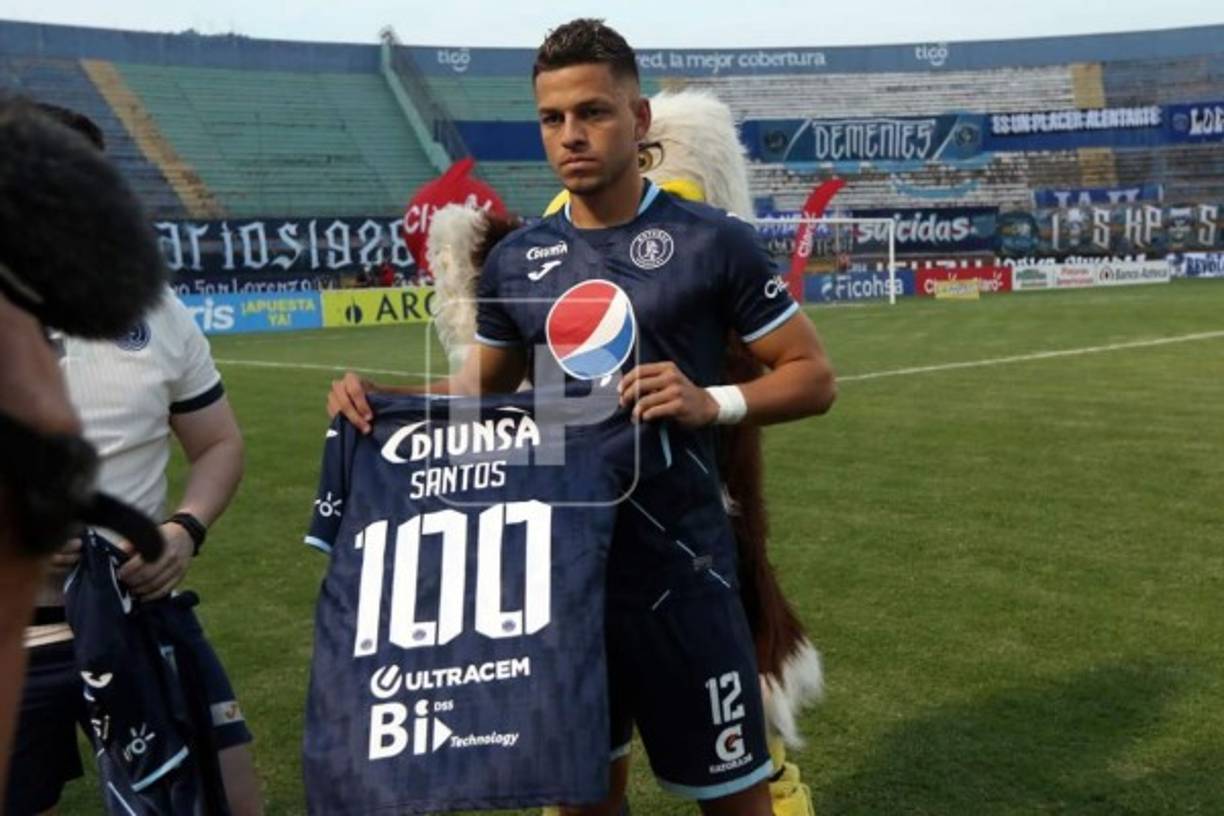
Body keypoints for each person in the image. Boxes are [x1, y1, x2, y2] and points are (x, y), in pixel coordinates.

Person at [328, 18, 835, 816]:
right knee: (583, 801)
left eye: (593, 112)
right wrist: (382, 405)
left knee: (740, 803)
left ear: (639, 121)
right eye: (552, 118)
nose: (571, 135)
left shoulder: (715, 244)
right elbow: (483, 389)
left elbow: (813, 376)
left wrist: (714, 402)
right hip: (562, 584)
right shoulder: (516, 261)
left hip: (687, 582)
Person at [5, 109, 261, 816]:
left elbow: (218, 444)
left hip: (137, 612)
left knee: (228, 797)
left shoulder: (156, 310)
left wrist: (184, 529)